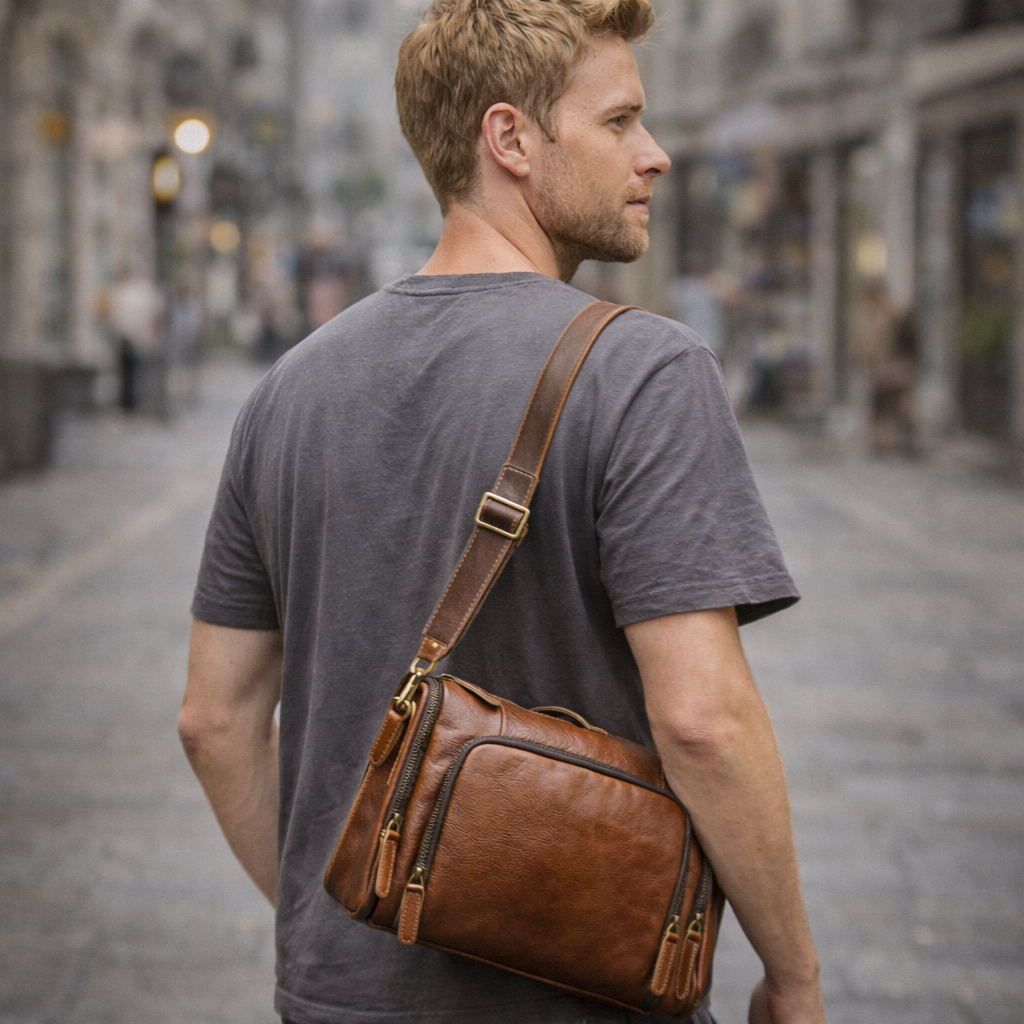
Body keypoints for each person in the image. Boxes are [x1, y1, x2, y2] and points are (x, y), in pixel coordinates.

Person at [178, 3, 828, 1023]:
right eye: (619, 121)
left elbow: (213, 721)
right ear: (510, 139)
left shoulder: (286, 391)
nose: (653, 154)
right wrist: (793, 978)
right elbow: (703, 722)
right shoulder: (645, 370)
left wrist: (347, 911)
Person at [853, 280, 920, 454]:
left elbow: (876, 346)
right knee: (894, 406)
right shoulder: (887, 315)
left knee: (892, 406)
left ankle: (894, 442)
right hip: (892, 369)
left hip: (893, 368)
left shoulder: (888, 317)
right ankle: (897, 442)